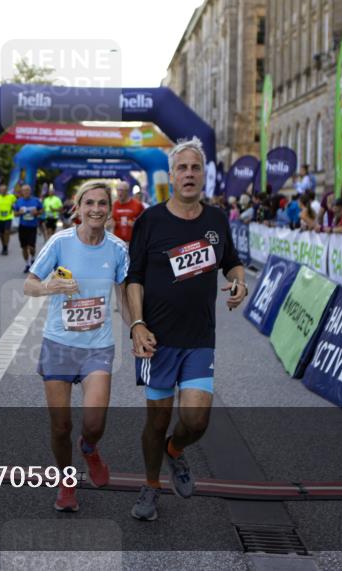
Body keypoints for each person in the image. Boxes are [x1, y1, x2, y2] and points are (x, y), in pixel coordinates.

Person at [126, 139, 248, 521]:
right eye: (183, 168)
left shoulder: (215, 220)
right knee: (157, 420)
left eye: (196, 168)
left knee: (196, 420)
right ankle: (150, 485)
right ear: (172, 176)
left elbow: (232, 263)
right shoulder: (151, 220)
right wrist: (137, 324)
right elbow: (134, 279)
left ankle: (175, 452)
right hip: (158, 340)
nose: (190, 174)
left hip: (199, 339)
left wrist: (239, 282)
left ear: (203, 175)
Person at [23, 180, 130, 512]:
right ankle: (66, 480)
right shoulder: (60, 242)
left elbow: (126, 299)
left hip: (98, 346)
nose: (96, 209)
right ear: (78, 208)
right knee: (61, 425)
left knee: (94, 423)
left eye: (102, 203)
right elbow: (30, 284)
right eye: (89, 203)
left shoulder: (117, 249)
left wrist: (138, 329)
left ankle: (89, 448)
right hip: (59, 343)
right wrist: (48, 287)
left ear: (109, 210)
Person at [13, 183, 43, 274]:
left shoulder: (36, 201)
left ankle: (33, 259)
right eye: (24, 190)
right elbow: (15, 214)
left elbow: (42, 210)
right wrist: (20, 213)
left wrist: (36, 212)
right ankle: (27, 264)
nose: (26, 192)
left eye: (28, 190)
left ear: (30, 191)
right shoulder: (19, 201)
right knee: (24, 247)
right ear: (22, 192)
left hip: (32, 226)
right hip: (22, 227)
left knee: (31, 247)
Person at [0, 182, 16, 256]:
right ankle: (4, 246)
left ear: (6, 190)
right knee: (1, 234)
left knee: (7, 232)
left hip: (8, 217)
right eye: (1, 190)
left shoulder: (11, 197)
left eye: (4, 190)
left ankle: (6, 246)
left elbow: (16, 203)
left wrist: (13, 207)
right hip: (0, 218)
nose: (2, 191)